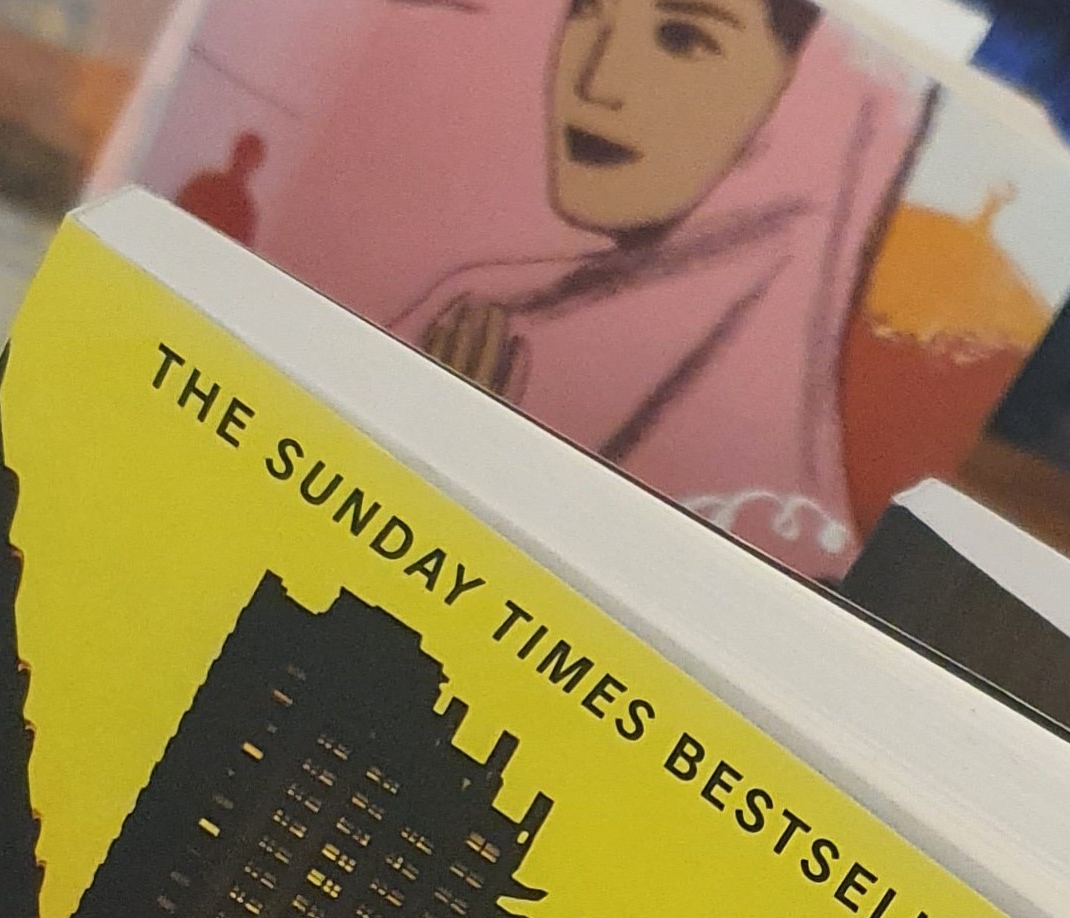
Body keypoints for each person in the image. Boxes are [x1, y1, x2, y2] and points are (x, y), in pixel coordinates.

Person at [258, 0, 928, 577]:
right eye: (586, 9)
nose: (596, 81)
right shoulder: (474, 318)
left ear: (807, 86)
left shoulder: (797, 546)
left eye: (681, 38)